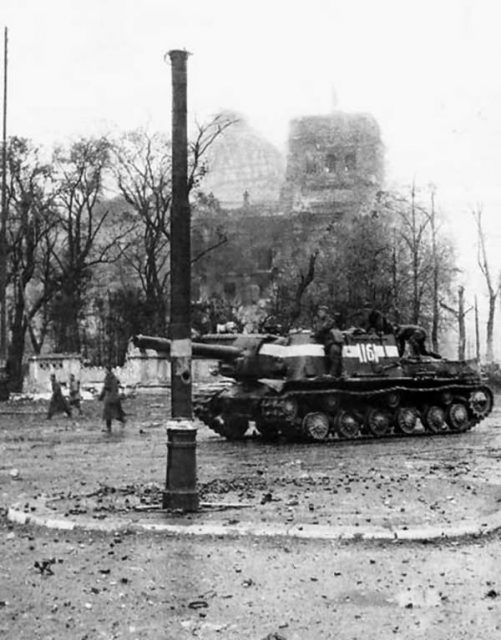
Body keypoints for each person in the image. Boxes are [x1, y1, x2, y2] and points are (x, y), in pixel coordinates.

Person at [312, 306, 344, 377]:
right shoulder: (318, 321)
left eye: (321, 311)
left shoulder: (330, 321)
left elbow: (323, 329)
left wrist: (317, 332)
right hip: (322, 342)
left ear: (325, 312)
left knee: (334, 354)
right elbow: (316, 329)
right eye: (319, 312)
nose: (319, 313)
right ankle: (324, 373)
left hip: (331, 341)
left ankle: (333, 373)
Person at [99, 366, 126, 433]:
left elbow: (105, 388)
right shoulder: (114, 378)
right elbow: (118, 384)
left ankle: (109, 428)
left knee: (108, 414)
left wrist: (100, 397)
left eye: (105, 369)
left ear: (108, 370)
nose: (104, 371)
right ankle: (122, 420)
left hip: (109, 398)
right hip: (116, 398)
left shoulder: (108, 378)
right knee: (115, 412)